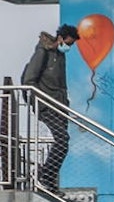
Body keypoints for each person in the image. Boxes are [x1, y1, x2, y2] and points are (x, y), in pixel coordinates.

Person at [20, 24, 79, 192]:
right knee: (62, 139)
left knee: (63, 143)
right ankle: (45, 176)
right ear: (60, 38)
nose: (69, 47)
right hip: (46, 106)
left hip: (59, 107)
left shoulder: (60, 55)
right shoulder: (43, 53)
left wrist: (65, 104)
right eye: (68, 43)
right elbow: (29, 80)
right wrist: (40, 101)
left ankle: (49, 178)